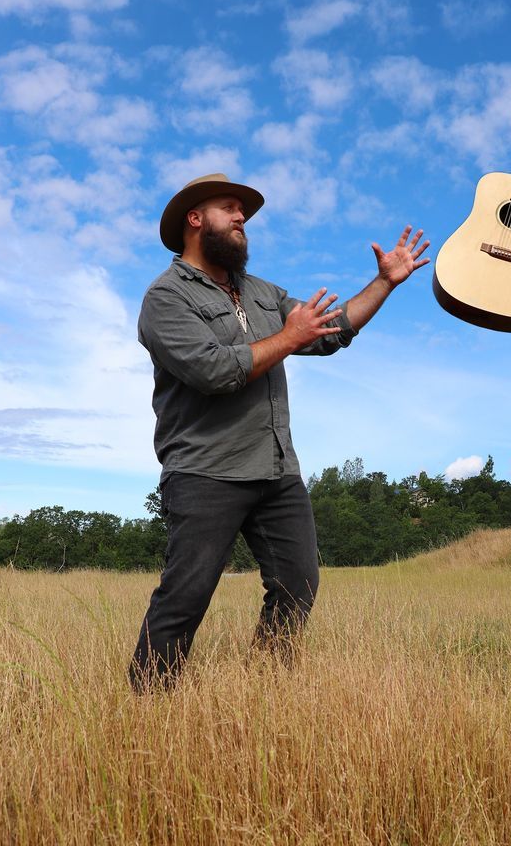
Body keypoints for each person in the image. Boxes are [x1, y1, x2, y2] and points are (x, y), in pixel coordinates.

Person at [129, 172, 430, 690]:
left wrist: (384, 282)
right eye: (229, 208)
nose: (242, 217)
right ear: (195, 220)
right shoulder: (165, 298)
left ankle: (267, 687)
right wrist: (289, 339)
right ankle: (146, 704)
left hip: (276, 467)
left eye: (243, 211)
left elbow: (332, 330)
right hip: (206, 470)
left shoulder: (262, 293)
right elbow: (214, 371)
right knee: (187, 594)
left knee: (298, 583)